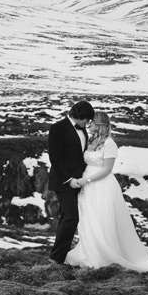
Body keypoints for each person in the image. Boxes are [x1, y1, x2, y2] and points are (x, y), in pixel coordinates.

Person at [65, 111, 148, 273]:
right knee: (88, 218)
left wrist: (87, 180)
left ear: (99, 124)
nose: (88, 124)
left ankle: (103, 255)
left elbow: (107, 170)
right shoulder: (91, 141)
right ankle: (89, 252)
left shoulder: (109, 144)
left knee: (101, 219)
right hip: (87, 186)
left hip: (101, 185)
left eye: (91, 122)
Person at [47, 100, 95, 264]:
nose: (88, 123)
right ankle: (57, 258)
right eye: (87, 119)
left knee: (66, 217)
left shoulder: (82, 129)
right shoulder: (58, 128)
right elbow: (55, 157)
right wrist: (69, 180)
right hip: (63, 181)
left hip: (78, 181)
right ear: (80, 116)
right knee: (72, 218)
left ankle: (57, 256)